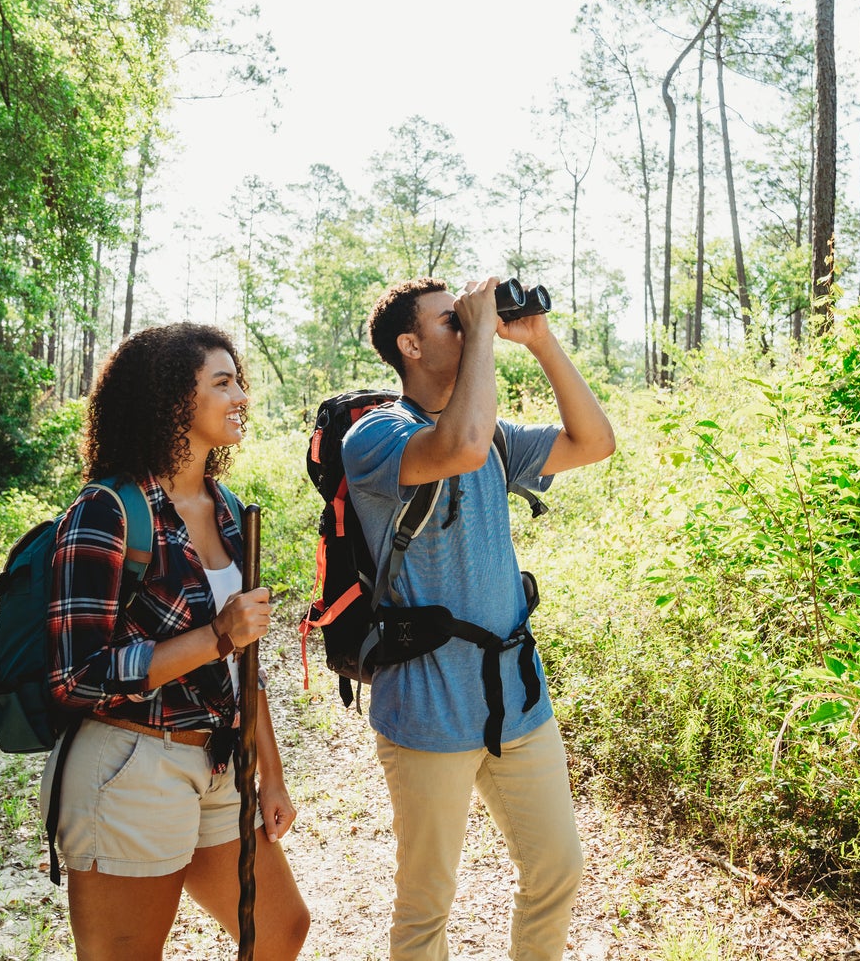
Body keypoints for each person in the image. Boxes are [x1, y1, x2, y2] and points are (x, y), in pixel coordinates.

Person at [342, 276, 616, 961]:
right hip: (429, 708)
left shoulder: (493, 437)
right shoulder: (377, 435)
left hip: (518, 702)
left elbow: (595, 441)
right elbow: (455, 445)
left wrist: (542, 342)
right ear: (409, 345)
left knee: (558, 866)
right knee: (426, 903)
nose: (470, 329)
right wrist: (484, 338)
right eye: (452, 323)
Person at [41, 322, 309, 961]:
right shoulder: (107, 512)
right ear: (170, 401)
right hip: (131, 761)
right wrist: (215, 637)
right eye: (222, 383)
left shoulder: (229, 510)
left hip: (218, 763)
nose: (240, 395)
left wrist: (270, 775)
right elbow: (76, 678)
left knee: (279, 929)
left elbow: (248, 661)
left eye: (238, 380)